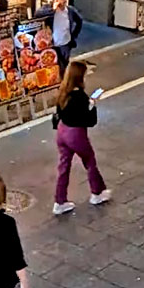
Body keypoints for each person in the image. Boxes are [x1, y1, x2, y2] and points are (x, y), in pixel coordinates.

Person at [53, 61, 110, 215]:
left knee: (63, 167)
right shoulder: (80, 96)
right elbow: (88, 121)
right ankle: (97, 193)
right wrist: (92, 106)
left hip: (61, 132)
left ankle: (59, 201)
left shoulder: (62, 91)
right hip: (75, 134)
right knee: (89, 161)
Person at [36, 0, 84, 75]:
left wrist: (74, 35)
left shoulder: (70, 11)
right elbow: (38, 15)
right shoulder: (49, 9)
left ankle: (63, 84)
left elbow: (79, 21)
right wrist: (52, 10)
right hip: (52, 45)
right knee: (52, 68)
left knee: (64, 68)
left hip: (65, 44)